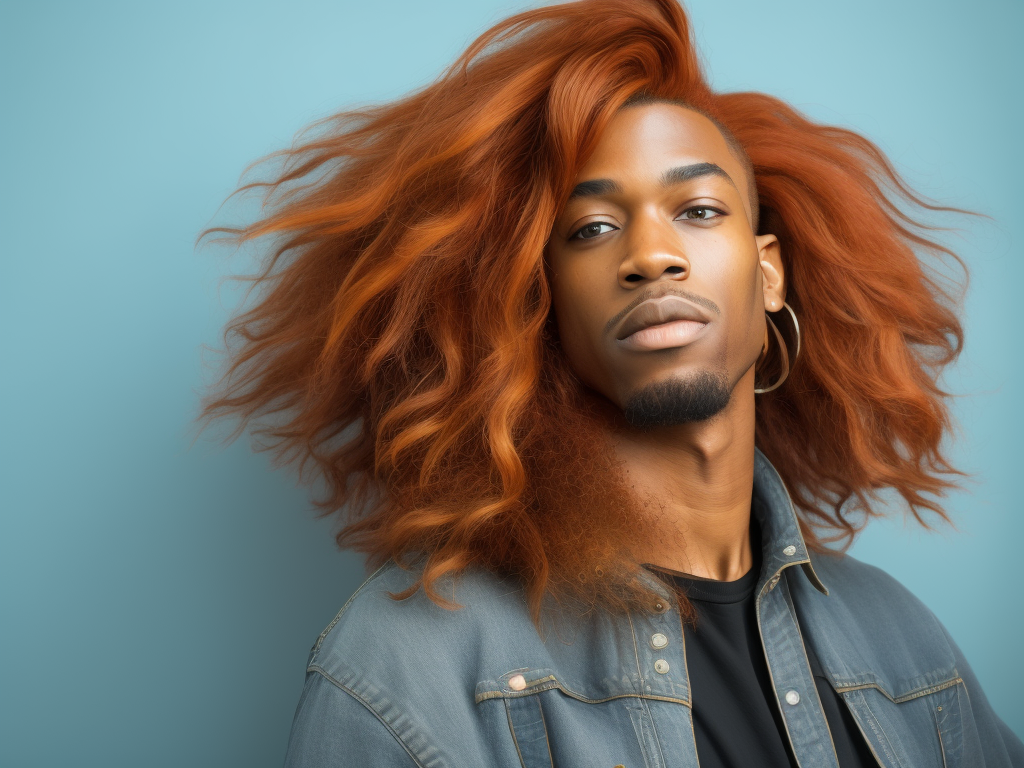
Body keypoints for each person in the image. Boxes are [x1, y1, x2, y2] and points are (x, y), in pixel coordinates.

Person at [199, 0, 1024, 765]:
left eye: (698, 210)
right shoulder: (408, 668)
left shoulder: (905, 646)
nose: (650, 255)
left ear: (769, 274)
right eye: (592, 227)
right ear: (540, 301)